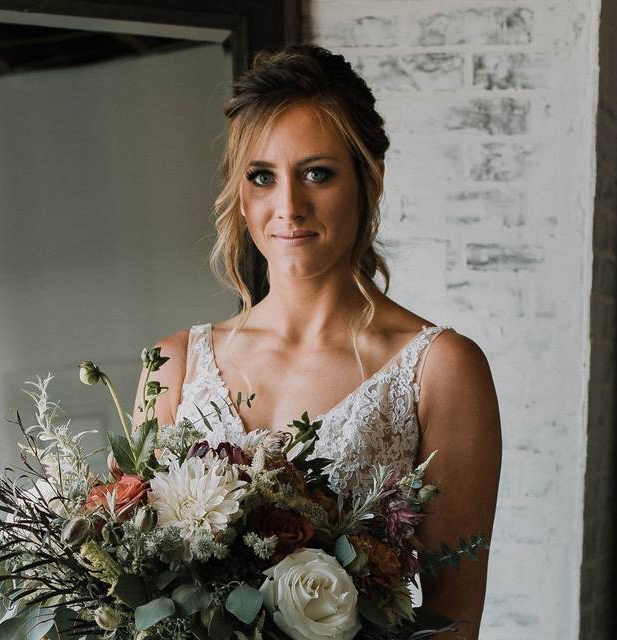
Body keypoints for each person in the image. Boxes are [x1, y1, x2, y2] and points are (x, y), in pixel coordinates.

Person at [133, 45, 501, 639]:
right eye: (262, 177)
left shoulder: (441, 368)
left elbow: (454, 619)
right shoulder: (172, 364)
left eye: (317, 173)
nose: (288, 207)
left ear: (369, 178)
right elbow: (137, 583)